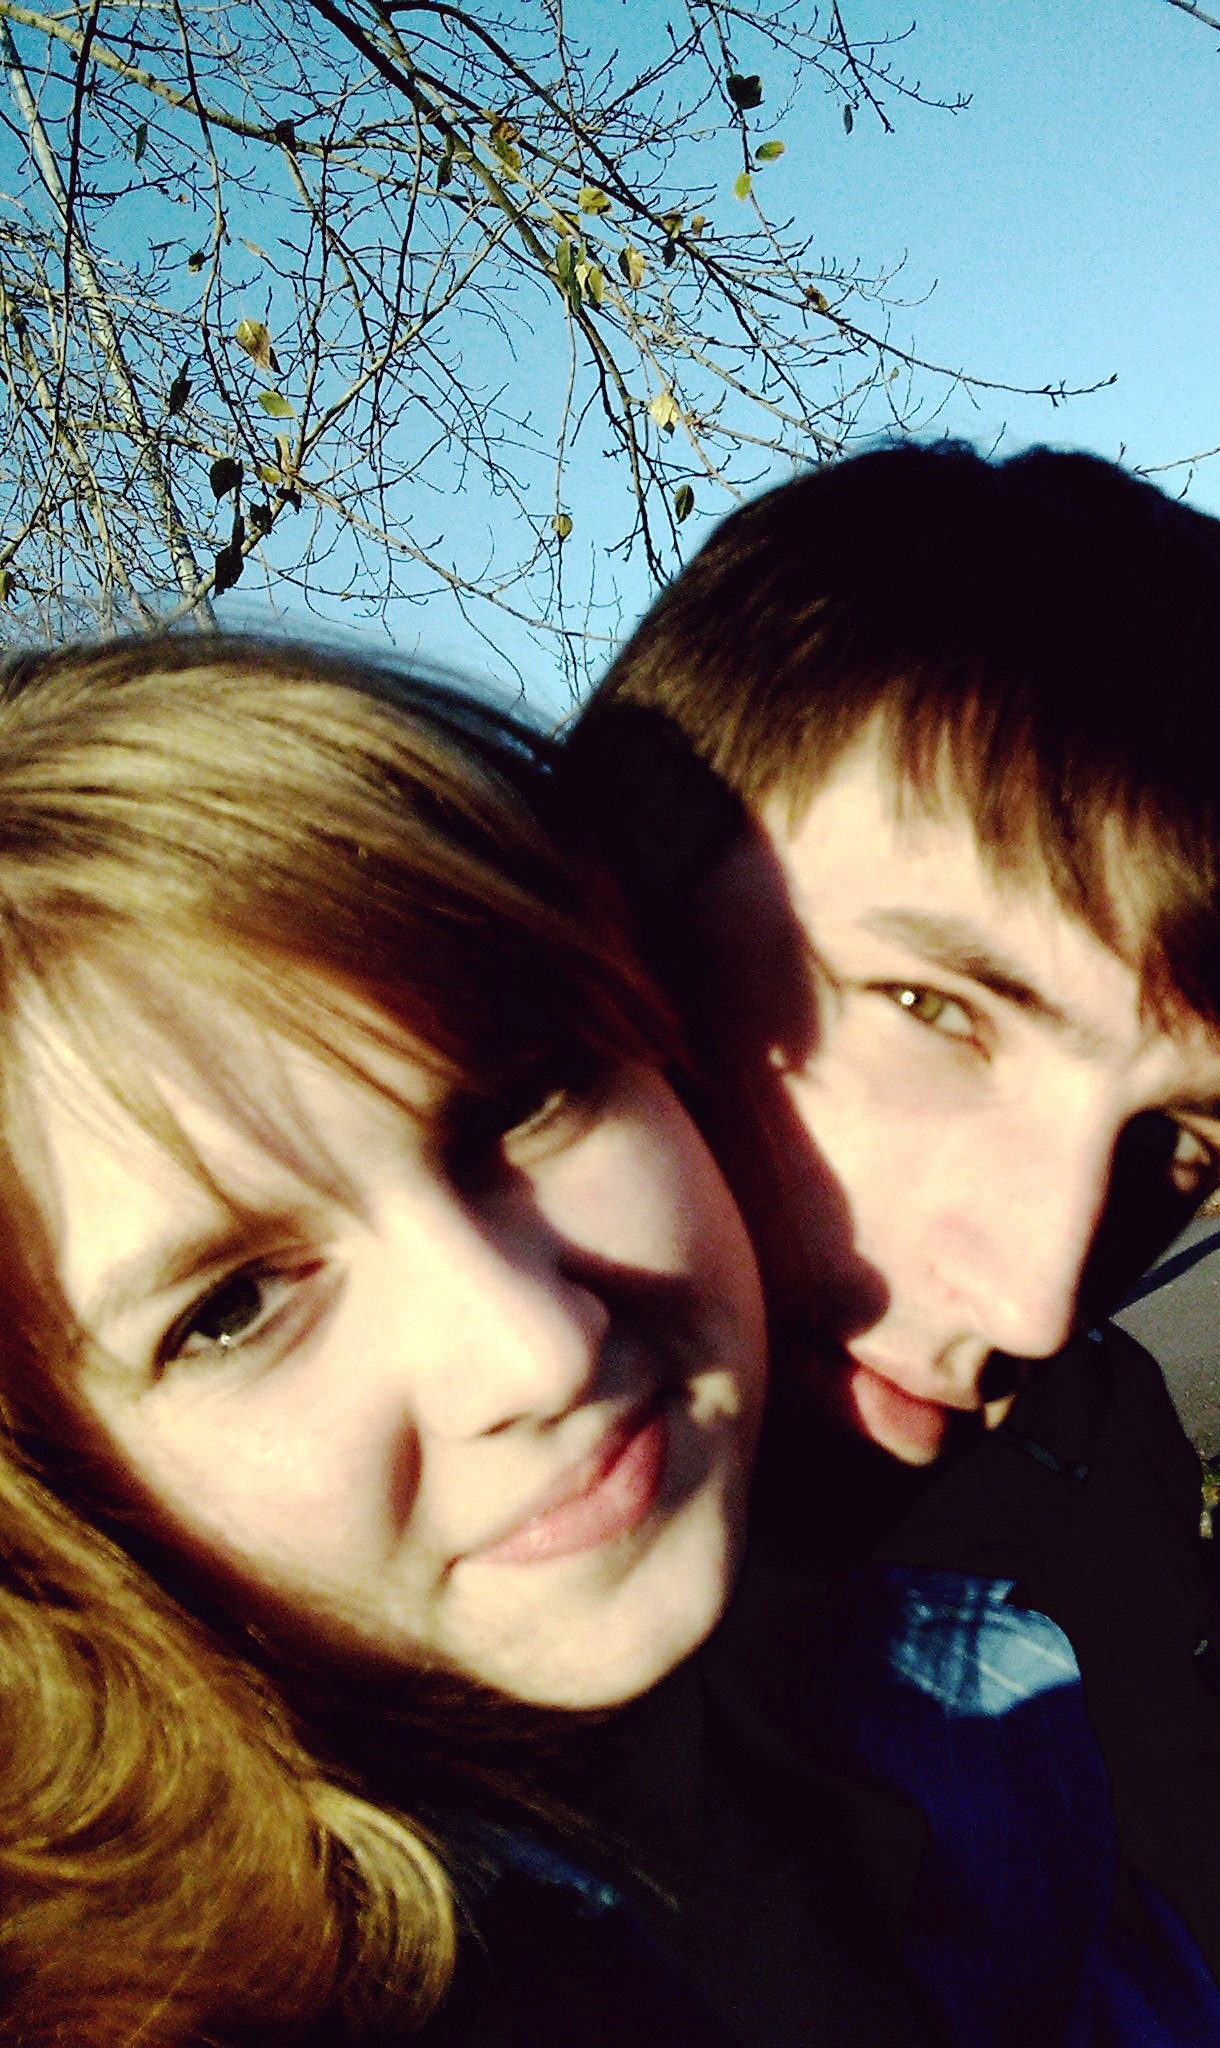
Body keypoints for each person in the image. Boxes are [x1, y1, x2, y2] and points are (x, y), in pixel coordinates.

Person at [566, 439, 1220, 2048]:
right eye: (932, 1010)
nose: (1036, 1300)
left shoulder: (1080, 1495)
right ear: (615, 896)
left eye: (1181, 1149)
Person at [0, 632, 770, 2046]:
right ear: (44, 1502)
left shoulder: (972, 1652)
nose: (535, 1350)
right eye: (232, 1307)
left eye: (525, 1102)